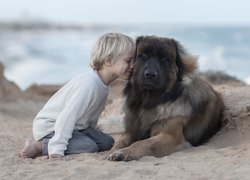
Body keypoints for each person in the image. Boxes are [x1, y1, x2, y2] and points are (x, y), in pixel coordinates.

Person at [19, 32, 135, 159]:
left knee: (108, 142)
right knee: (89, 146)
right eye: (128, 61)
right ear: (108, 61)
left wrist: (93, 133)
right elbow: (67, 117)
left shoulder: (103, 84)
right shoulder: (88, 84)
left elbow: (91, 116)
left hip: (77, 127)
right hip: (51, 126)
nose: (133, 66)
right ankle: (38, 145)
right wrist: (56, 149)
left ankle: (73, 140)